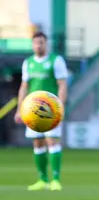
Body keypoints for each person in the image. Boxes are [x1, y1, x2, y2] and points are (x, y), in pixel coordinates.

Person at [14, 32, 69, 191]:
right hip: (32, 111)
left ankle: (56, 180)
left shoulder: (55, 61)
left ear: (46, 44)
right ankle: (42, 180)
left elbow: (62, 85)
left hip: (50, 109)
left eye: (42, 42)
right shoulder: (28, 63)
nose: (39, 45)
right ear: (32, 45)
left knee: (52, 141)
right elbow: (24, 87)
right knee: (37, 143)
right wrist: (19, 109)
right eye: (36, 43)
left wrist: (60, 106)